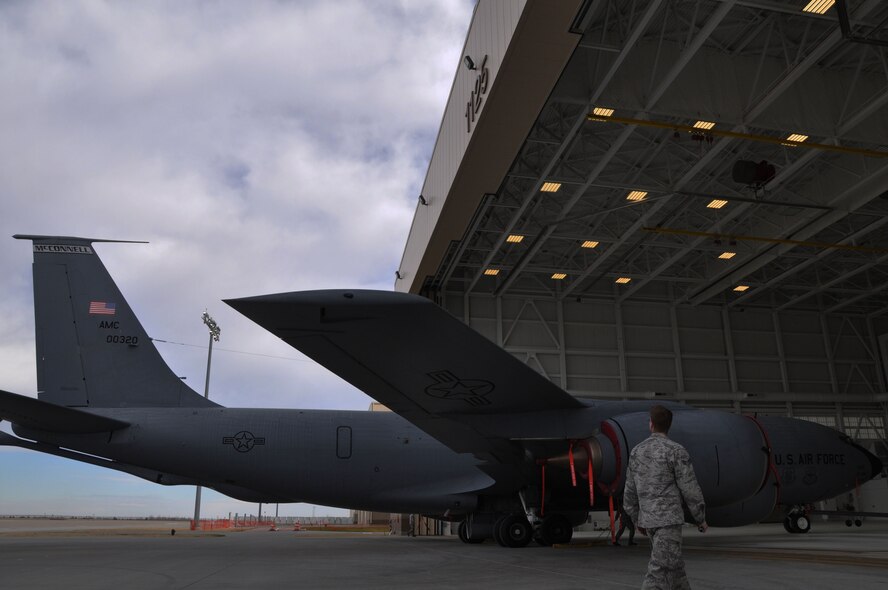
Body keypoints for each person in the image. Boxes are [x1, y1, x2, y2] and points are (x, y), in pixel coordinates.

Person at [623, 405, 707, 589]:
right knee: (659, 572)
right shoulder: (676, 451)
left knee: (674, 570)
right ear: (669, 426)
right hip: (668, 522)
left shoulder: (636, 452)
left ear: (651, 424)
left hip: (649, 521)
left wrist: (637, 518)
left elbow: (629, 492)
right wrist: (700, 517)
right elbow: (690, 488)